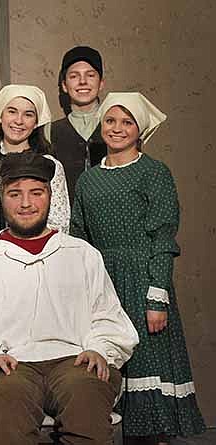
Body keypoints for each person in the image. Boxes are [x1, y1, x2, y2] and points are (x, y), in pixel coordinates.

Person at [0, 151, 138, 445]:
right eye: (15, 194)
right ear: (2, 198)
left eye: (36, 193)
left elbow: (107, 315)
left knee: (86, 392)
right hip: (10, 362)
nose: (25, 203)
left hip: (73, 359)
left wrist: (100, 348)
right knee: (7, 397)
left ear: (50, 196)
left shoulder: (80, 253)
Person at [71, 92, 206, 444]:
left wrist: (157, 296)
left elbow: (163, 237)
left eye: (127, 122)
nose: (117, 129)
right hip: (102, 281)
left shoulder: (154, 173)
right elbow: (79, 237)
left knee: (147, 370)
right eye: (110, 121)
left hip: (142, 280)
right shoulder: (87, 180)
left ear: (140, 130)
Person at [0, 84, 70, 242]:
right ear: (0, 116)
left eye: (28, 115)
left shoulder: (49, 165)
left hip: (39, 255)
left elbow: (59, 223)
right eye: (12, 111)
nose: (19, 120)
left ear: (36, 122)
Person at [52, 46, 108, 203]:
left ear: (101, 83)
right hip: (66, 224)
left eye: (90, 75)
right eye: (74, 76)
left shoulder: (121, 129)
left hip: (114, 223)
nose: (83, 82)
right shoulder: (49, 133)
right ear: (64, 85)